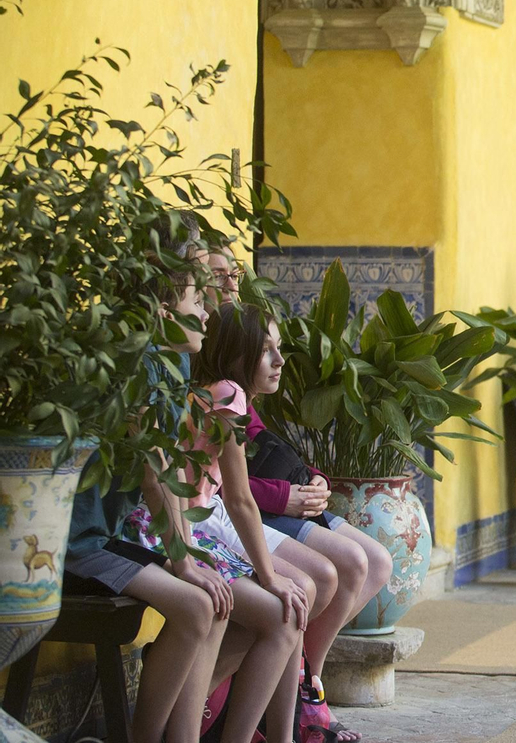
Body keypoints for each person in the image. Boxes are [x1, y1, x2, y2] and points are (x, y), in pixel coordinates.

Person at [63, 229, 233, 743]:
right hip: (74, 545)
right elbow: (154, 470)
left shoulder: (173, 362)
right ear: (161, 310)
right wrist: (181, 560)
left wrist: (190, 558)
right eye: (196, 300)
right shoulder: (133, 363)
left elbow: (172, 474)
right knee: (194, 603)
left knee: (214, 600)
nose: (208, 313)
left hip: (103, 540)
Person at [200, 301, 393, 743]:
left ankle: (304, 691)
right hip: (236, 514)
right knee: (314, 582)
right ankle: (282, 707)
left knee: (373, 563)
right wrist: (286, 499)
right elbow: (234, 490)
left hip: (272, 504)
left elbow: (267, 454)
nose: (280, 361)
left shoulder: (238, 396)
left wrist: (314, 479)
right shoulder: (226, 392)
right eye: (266, 350)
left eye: (279, 348)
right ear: (234, 352)